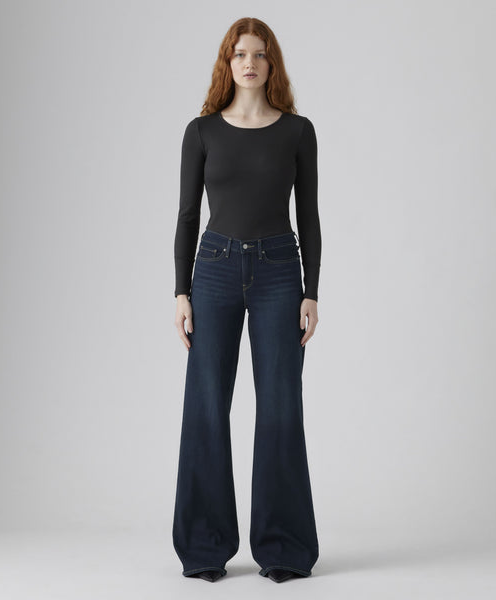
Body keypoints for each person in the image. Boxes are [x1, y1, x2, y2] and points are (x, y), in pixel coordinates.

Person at [172, 17, 321, 583]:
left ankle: (283, 547)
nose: (249, 63)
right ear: (227, 63)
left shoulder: (298, 132)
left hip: (280, 271)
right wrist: (181, 291)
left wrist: (312, 291)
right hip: (212, 270)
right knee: (206, 405)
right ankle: (204, 547)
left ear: (271, 63)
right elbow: (187, 216)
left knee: (280, 406)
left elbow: (309, 215)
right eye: (239, 54)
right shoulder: (202, 132)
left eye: (259, 54)